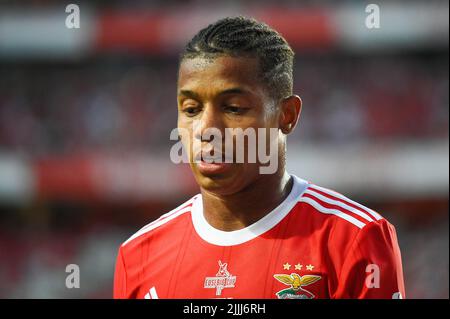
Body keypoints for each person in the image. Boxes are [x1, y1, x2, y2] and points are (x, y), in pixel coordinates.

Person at [113, 16, 405, 299]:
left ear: (287, 115)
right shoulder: (138, 255)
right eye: (191, 109)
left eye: (234, 108)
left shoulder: (355, 238)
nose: (206, 129)